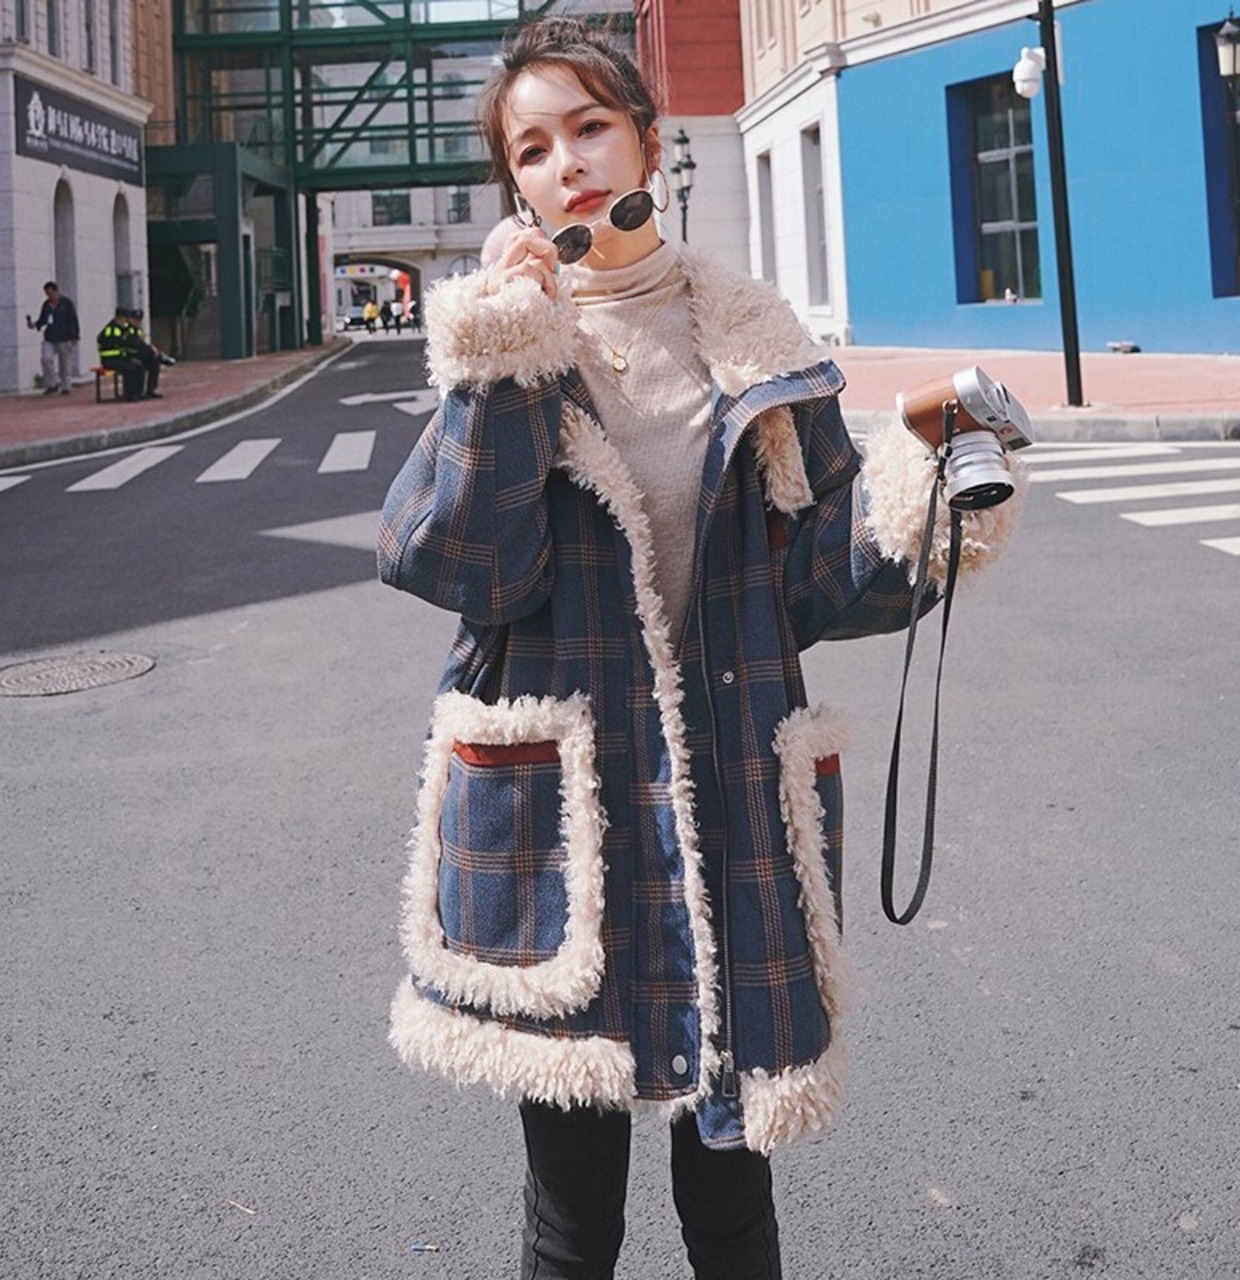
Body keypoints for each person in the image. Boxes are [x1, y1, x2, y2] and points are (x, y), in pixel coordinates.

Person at [376, 17, 1028, 1280]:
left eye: (588, 127)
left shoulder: (749, 336)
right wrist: (503, 354)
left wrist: (925, 488)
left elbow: (813, 580)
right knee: (572, 1221)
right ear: (513, 184)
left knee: (729, 1208)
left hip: (725, 792)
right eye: (531, 148)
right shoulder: (509, 348)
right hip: (566, 815)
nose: (566, 163)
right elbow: (462, 567)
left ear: (646, 141)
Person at [26, 281, 80, 395]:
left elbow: (73, 320)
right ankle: (52, 384)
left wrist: (74, 336)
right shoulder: (46, 305)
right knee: (46, 359)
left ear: (56, 291)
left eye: (51, 293)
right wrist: (35, 325)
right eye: (47, 294)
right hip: (50, 337)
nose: (49, 296)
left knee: (64, 363)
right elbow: (43, 319)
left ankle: (66, 386)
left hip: (65, 338)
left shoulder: (66, 303)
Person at [96, 306, 147, 402]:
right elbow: (119, 343)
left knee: (139, 366)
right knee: (130, 368)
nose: (126, 321)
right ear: (119, 318)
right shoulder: (112, 329)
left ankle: (138, 393)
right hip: (110, 360)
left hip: (120, 358)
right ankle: (129, 395)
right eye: (125, 318)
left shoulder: (122, 329)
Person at [118, 308, 164, 399]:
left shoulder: (138, 331)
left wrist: (151, 349)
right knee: (138, 367)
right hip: (129, 356)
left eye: (139, 320)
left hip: (139, 355)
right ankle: (135, 393)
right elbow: (132, 344)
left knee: (154, 364)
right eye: (135, 319)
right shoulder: (126, 330)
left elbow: (142, 344)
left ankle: (150, 390)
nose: (137, 322)